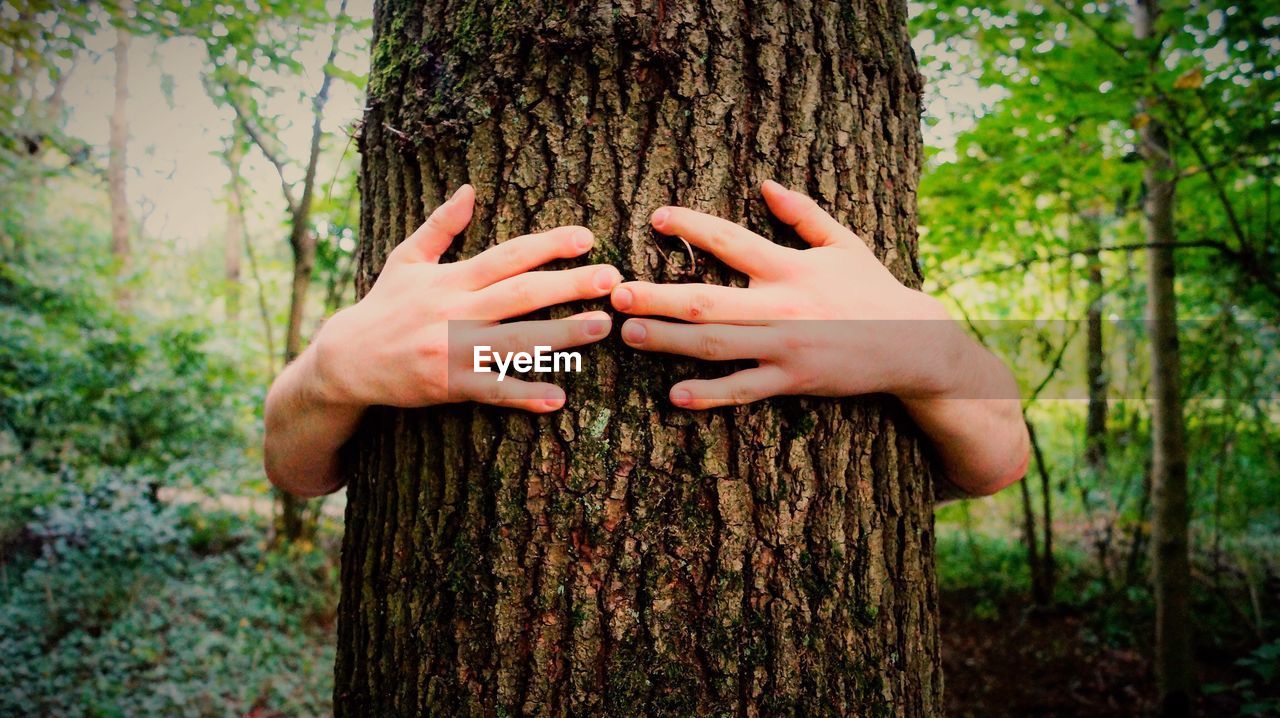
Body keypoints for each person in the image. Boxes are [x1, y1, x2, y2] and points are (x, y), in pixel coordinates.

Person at [264, 181, 1029, 500]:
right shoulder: (402, 309)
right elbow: (295, 469)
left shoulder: (881, 312)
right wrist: (331, 372)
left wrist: (927, 352)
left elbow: (998, 462)